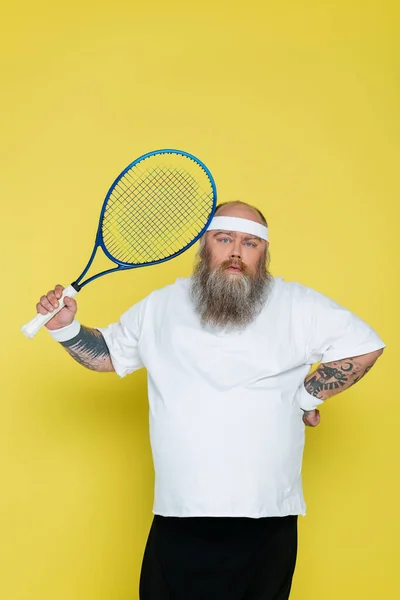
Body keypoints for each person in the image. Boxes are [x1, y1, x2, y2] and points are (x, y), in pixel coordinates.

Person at [36, 201, 385, 600]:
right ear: (206, 247)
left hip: (266, 511)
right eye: (225, 239)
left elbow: (364, 345)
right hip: (181, 508)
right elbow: (109, 355)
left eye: (250, 243)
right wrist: (66, 329)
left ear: (264, 254)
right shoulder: (161, 305)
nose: (236, 251)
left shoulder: (297, 304)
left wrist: (306, 397)